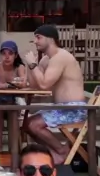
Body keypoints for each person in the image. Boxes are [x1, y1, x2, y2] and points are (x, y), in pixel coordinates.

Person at [23, 24, 86, 164]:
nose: (35, 41)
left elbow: (44, 84)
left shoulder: (60, 57)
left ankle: (61, 151)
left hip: (74, 109)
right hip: (61, 108)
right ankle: (55, 154)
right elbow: (34, 85)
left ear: (51, 39)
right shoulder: (46, 59)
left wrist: (33, 65)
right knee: (26, 124)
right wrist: (30, 64)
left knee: (34, 125)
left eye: (38, 37)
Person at [0, 40, 27, 150]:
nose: (7, 57)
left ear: (16, 55)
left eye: (10, 53)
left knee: (12, 110)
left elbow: (23, 83)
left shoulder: (19, 67)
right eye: (4, 53)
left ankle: (13, 150)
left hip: (13, 101)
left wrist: (5, 85)